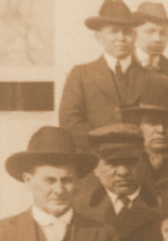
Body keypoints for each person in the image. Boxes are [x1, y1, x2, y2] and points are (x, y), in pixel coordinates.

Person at [76, 124, 164, 241]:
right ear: (95, 168)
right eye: (112, 163)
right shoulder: (79, 209)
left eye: (131, 162)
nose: (123, 172)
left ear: (144, 162)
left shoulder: (164, 207)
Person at [59, 0, 146, 148]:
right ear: (99, 37)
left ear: (135, 36)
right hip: (96, 160)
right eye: (113, 31)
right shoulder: (81, 75)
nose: (121, 38)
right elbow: (69, 122)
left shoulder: (152, 78)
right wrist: (105, 145)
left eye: (127, 31)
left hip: (137, 160)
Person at [132, 2, 168, 81]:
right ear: (134, 34)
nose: (158, 39)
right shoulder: (120, 66)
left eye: (163, 33)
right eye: (150, 31)